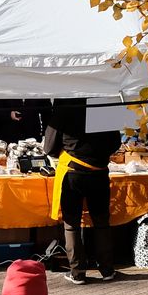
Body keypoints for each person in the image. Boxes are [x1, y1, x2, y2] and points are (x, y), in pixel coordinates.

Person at [44, 97, 122, 284]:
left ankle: (77, 272)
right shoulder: (104, 105)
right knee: (101, 222)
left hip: (73, 173)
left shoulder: (64, 108)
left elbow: (49, 147)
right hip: (99, 173)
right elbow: (115, 143)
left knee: (72, 224)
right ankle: (107, 270)